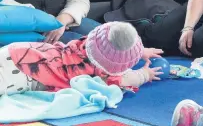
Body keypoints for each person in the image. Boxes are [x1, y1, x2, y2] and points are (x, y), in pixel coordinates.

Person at [0, 21, 163, 94]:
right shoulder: (104, 76)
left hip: (18, 50)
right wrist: (144, 74)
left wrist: (141, 51)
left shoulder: (86, 44)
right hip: (21, 71)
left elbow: (112, 46)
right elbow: (127, 79)